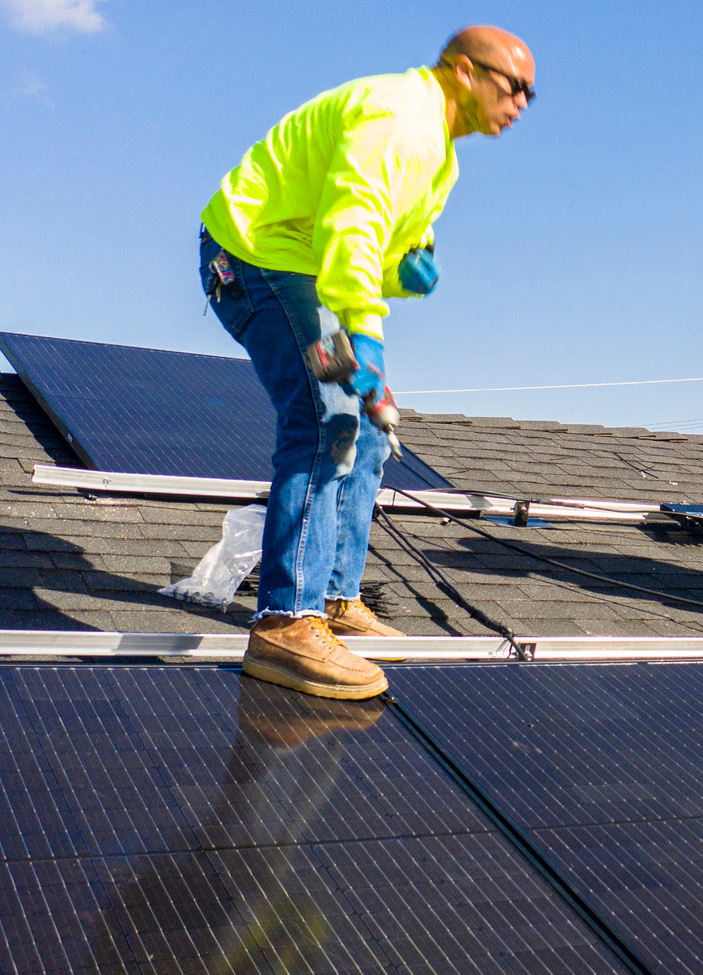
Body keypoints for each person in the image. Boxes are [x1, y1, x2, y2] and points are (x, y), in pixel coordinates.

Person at [198, 26, 534, 700]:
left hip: (308, 272)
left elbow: (372, 264)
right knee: (327, 420)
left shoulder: (441, 156)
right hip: (256, 256)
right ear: (464, 72)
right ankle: (286, 621)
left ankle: (333, 599)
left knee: (367, 430)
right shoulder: (399, 119)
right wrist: (368, 358)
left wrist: (404, 278)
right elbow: (350, 237)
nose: (523, 101)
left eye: (532, 92)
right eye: (514, 85)